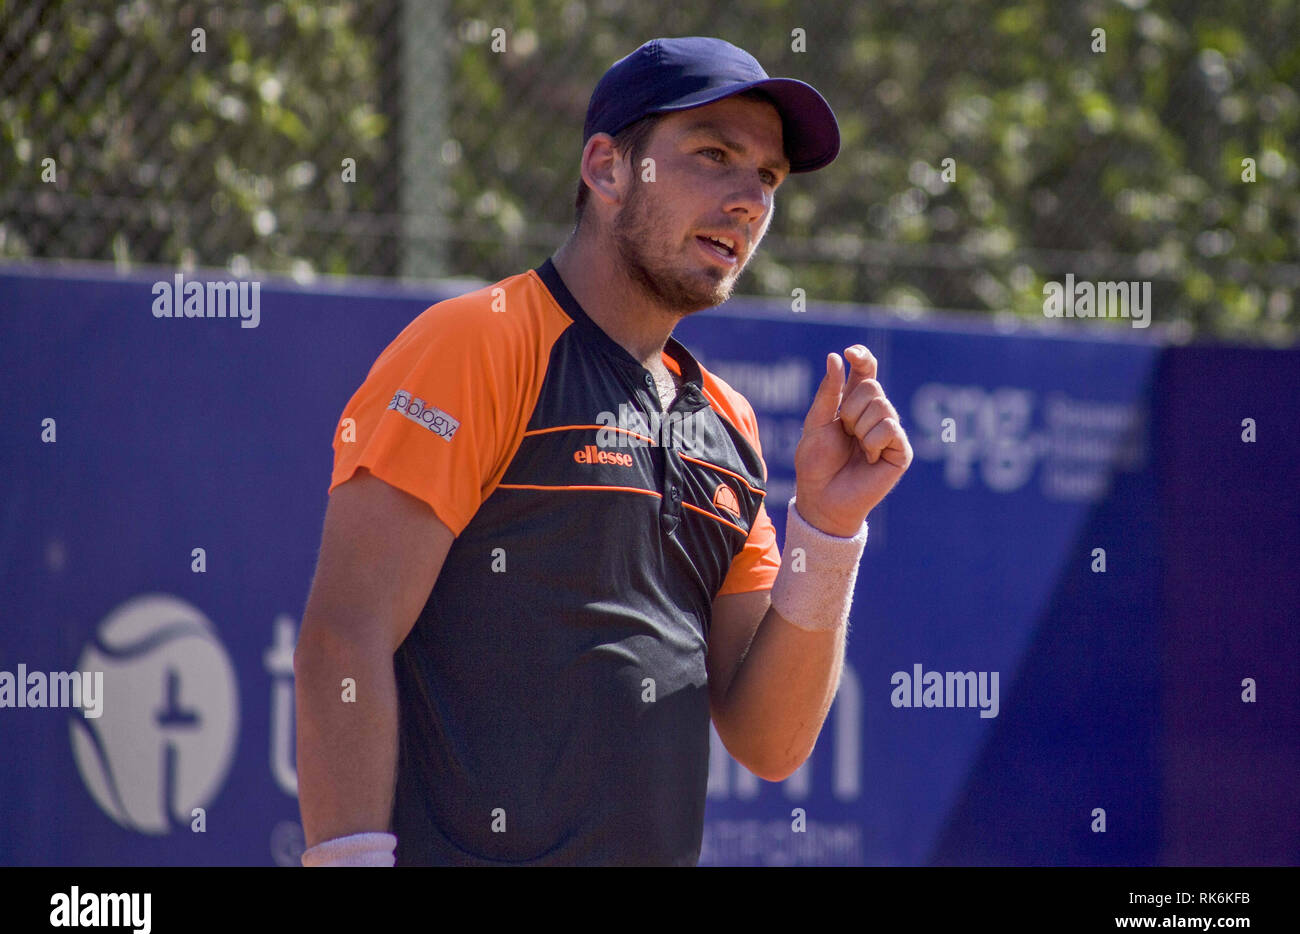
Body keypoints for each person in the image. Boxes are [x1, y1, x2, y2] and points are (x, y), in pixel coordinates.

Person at [294, 36, 912, 866]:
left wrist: (829, 529)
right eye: (714, 155)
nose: (748, 200)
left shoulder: (727, 422)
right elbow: (344, 633)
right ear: (608, 169)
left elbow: (771, 743)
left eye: (767, 178)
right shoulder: (477, 343)